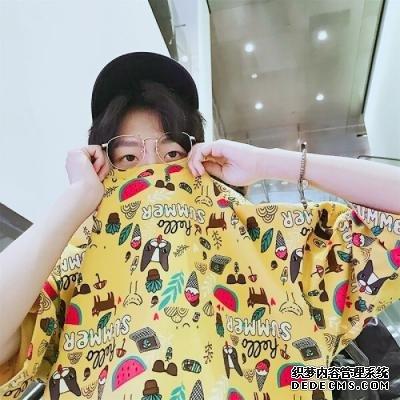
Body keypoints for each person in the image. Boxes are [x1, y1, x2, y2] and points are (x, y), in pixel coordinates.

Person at [0, 52, 400, 400]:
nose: (154, 172)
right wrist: (74, 200)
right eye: (127, 159)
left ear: (200, 159)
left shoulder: (267, 242)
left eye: (173, 153)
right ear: (100, 169)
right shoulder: (77, 263)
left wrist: (269, 162)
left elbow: (372, 375)